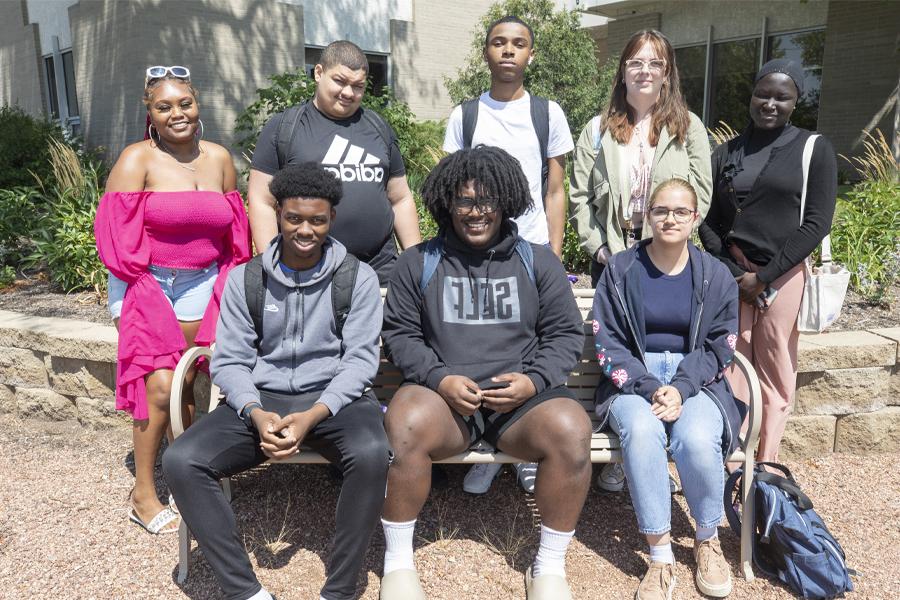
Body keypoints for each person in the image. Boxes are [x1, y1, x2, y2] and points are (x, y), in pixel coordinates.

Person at [163, 163, 391, 600]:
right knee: (181, 460)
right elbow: (229, 361)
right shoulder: (247, 278)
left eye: (317, 220)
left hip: (332, 401)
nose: (305, 230)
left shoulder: (356, 278)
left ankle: (340, 589)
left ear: (332, 220)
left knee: (371, 453)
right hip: (261, 399)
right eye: (294, 218)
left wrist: (312, 415)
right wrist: (254, 410)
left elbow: (360, 363)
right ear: (279, 214)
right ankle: (245, 590)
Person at [379, 146, 591, 600]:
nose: (476, 213)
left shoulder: (537, 260)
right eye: (464, 201)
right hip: (445, 404)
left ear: (507, 200)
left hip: (521, 407)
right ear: (445, 203)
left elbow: (565, 335)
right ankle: (397, 563)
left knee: (571, 430)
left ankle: (549, 568)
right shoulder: (419, 262)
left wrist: (533, 381)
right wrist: (438, 379)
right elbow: (400, 335)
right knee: (406, 422)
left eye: (487, 201)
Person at [94, 66, 250, 535]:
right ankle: (143, 492)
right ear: (151, 113)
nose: (176, 113)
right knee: (159, 386)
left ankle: (188, 473)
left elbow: (235, 230)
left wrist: (234, 286)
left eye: (184, 103)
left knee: (191, 384)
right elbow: (115, 237)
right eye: (164, 106)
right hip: (148, 282)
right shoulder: (135, 160)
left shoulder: (220, 158)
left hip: (208, 283)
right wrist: (135, 296)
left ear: (197, 104)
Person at [569, 28, 712, 494]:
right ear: (623, 71)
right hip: (615, 257)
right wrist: (600, 249)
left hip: (667, 258)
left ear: (667, 72)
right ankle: (627, 448)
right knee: (621, 350)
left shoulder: (688, 127)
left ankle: (654, 452)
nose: (645, 71)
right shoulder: (597, 128)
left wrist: (666, 239)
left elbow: (702, 196)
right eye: (636, 62)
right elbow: (580, 198)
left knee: (666, 344)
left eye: (655, 63)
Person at [442, 14, 574, 495]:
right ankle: (491, 448)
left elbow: (556, 189)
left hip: (530, 248)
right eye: (499, 43)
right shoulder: (466, 115)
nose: (508, 51)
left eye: (519, 44)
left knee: (530, 343)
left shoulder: (547, 113)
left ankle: (521, 446)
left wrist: (553, 251)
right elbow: (451, 183)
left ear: (530, 54)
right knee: (488, 336)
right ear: (486, 53)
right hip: (479, 249)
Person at [592, 178, 743, 599]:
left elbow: (720, 344)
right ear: (647, 216)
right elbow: (608, 341)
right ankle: (660, 558)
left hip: (696, 377)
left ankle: (707, 538)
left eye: (680, 211)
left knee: (696, 438)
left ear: (695, 219)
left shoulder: (715, 275)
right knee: (641, 432)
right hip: (634, 377)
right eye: (661, 210)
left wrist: (680, 386)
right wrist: (648, 386)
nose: (670, 219)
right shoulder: (621, 270)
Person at [699, 59, 837, 463]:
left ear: (796, 101)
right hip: (734, 274)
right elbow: (706, 221)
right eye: (763, 93)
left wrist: (767, 276)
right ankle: (733, 457)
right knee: (735, 365)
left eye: (782, 96)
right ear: (752, 96)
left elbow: (817, 222)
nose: (770, 103)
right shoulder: (726, 152)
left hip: (784, 274)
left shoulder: (813, 148)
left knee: (776, 370)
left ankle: (767, 465)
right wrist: (736, 273)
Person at [248, 40, 421, 285]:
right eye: (340, 81)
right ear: (319, 73)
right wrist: (272, 266)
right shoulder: (285, 127)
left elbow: (400, 199)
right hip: (308, 274)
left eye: (358, 86)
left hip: (379, 273)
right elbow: (261, 200)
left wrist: (417, 263)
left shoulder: (379, 127)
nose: (348, 93)